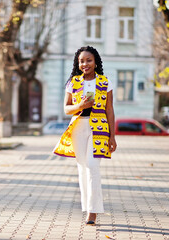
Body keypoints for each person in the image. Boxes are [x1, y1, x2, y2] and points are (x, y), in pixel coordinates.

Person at [53, 46, 117, 225]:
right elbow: (66, 109)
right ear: (78, 63)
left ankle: (93, 212)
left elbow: (109, 110)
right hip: (78, 127)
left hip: (100, 129)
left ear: (96, 62)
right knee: (82, 168)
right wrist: (80, 106)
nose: (85, 64)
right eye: (82, 61)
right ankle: (88, 208)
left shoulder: (105, 82)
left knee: (92, 166)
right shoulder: (73, 83)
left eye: (89, 60)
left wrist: (112, 136)